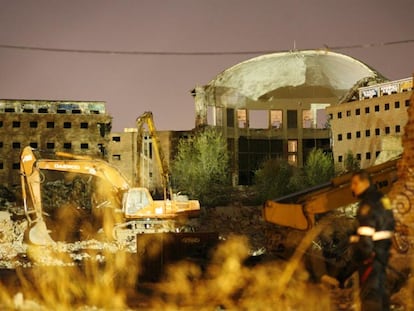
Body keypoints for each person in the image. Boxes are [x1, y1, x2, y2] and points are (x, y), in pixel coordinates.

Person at [349, 170, 395, 311]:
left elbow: (365, 241)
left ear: (365, 182)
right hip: (383, 256)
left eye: (355, 183)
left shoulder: (367, 205)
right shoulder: (383, 199)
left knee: (370, 299)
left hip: (371, 261)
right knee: (382, 297)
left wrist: (357, 259)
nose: (352, 187)